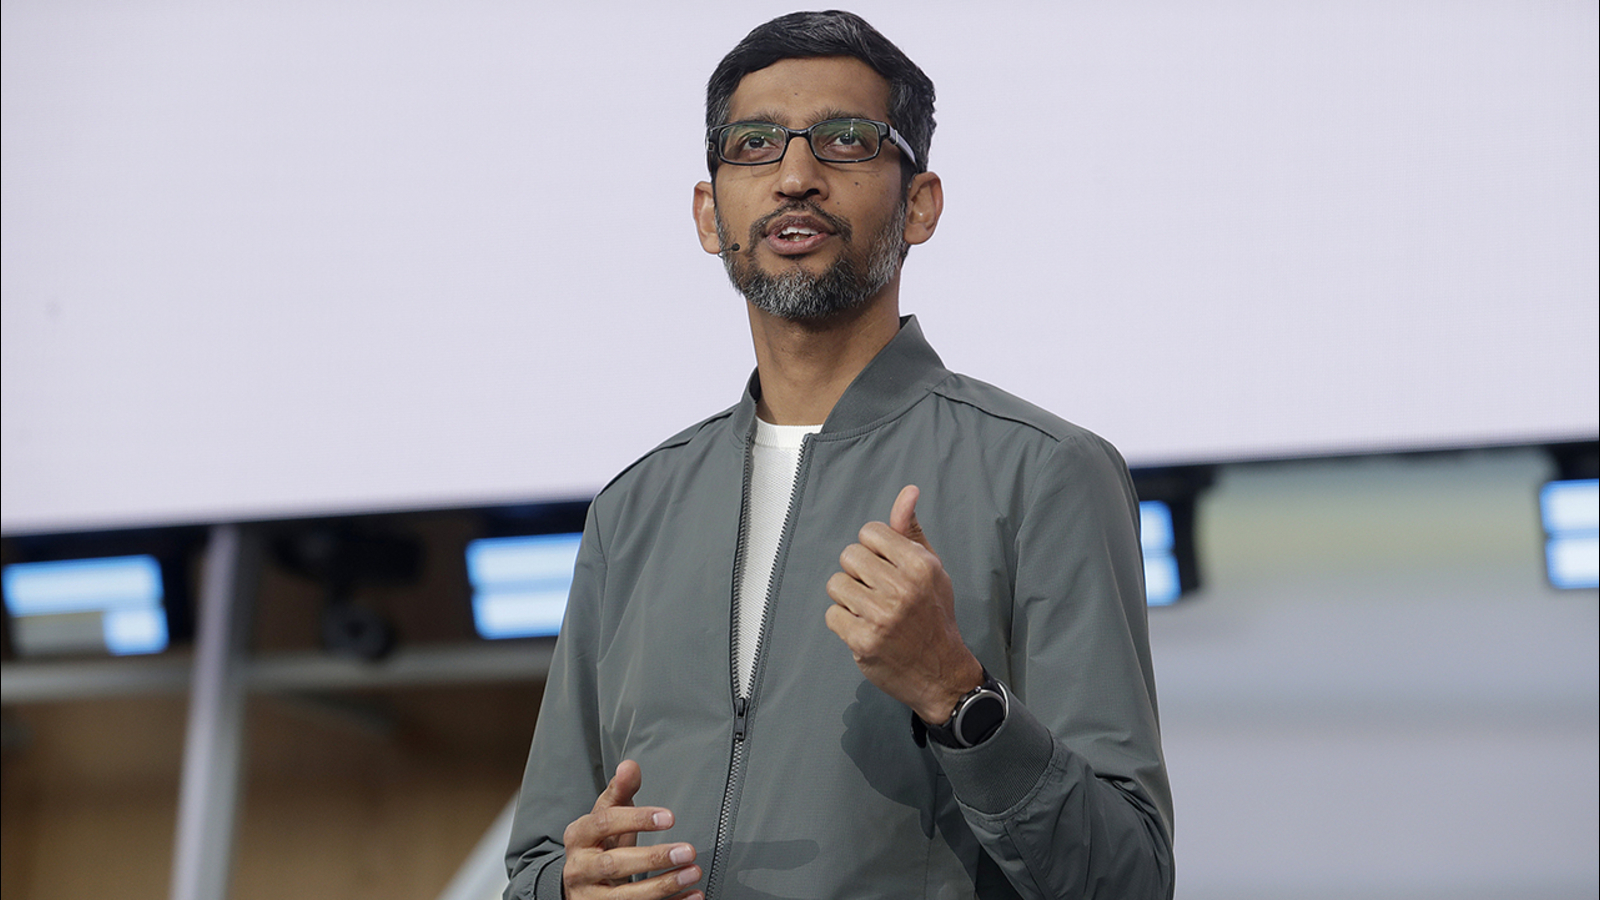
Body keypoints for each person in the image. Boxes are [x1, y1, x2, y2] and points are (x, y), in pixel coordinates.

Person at [504, 10, 1173, 899]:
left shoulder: (1045, 472)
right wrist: (568, 886)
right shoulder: (632, 510)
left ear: (919, 204)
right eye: (753, 145)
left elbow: (1129, 877)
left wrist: (959, 697)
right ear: (708, 214)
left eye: (847, 140)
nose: (794, 177)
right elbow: (536, 864)